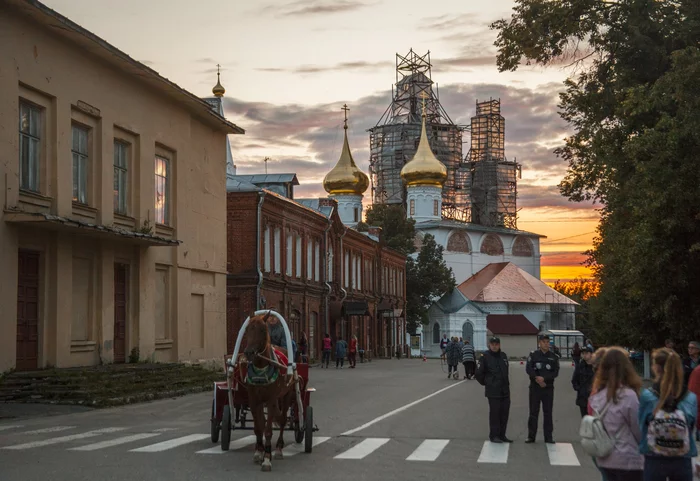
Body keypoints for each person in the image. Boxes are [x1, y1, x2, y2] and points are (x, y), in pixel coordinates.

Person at [638, 348, 698, 481]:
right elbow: (691, 427)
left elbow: (641, 425)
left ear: (657, 368)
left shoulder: (648, 396)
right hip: (682, 457)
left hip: (654, 456)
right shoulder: (690, 397)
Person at [587, 347, 644, 481]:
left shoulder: (598, 395)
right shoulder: (629, 396)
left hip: (605, 457)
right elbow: (638, 430)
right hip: (628, 459)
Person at [475, 336, 512, 443]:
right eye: (493, 344)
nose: (495, 346)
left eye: (497, 344)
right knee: (495, 414)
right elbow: (478, 373)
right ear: (489, 345)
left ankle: (502, 435)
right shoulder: (485, 357)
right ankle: (494, 435)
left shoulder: (503, 356)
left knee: (504, 413)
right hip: (493, 391)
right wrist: (488, 383)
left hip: (505, 390)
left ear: (499, 345)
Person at [526, 334, 560, 444]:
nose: (546, 344)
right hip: (535, 388)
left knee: (548, 413)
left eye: (547, 342)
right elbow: (529, 369)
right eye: (543, 342)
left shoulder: (554, 357)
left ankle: (548, 437)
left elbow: (555, 372)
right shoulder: (533, 355)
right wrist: (537, 378)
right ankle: (531, 436)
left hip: (548, 388)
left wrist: (544, 379)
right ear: (539, 343)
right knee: (533, 412)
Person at [572, 345, 595, 417]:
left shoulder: (596, 366)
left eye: (586, 353)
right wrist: (579, 389)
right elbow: (574, 380)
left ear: (591, 354)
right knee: (585, 419)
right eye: (583, 353)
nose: (584, 355)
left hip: (594, 398)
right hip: (583, 398)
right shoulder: (579, 366)